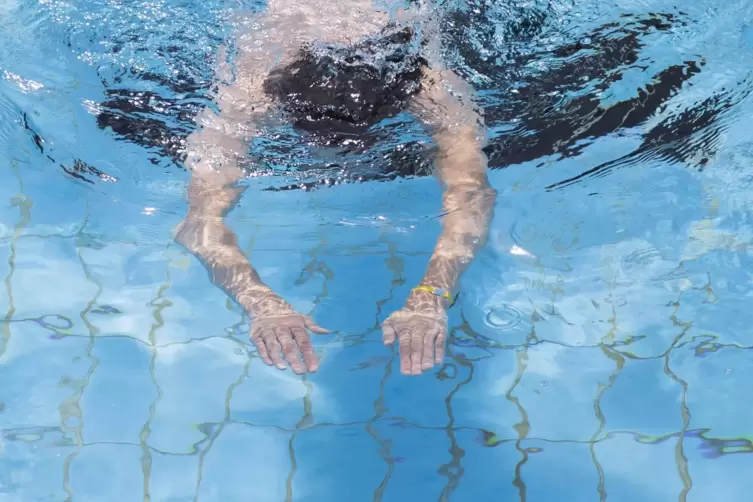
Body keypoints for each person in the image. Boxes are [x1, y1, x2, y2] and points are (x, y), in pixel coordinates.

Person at [174, 0, 496, 376]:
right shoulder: (251, 90)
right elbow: (197, 222)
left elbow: (472, 196)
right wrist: (261, 304)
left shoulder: (428, 85)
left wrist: (431, 295)